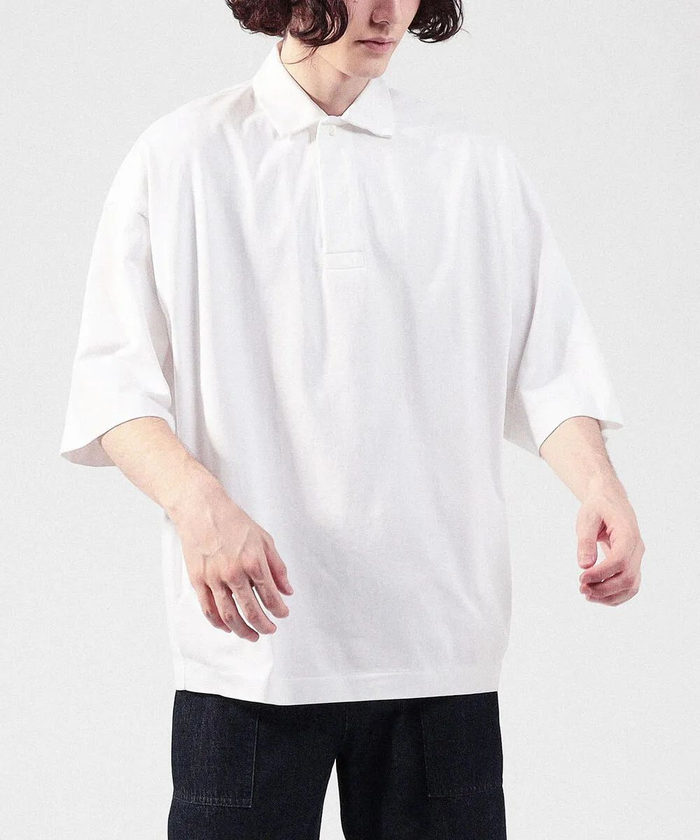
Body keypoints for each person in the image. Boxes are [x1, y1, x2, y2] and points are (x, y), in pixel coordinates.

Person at [59, 1, 645, 837]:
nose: (385, 12)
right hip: (253, 652)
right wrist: (198, 504)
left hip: (439, 646)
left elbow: (549, 368)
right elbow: (114, 385)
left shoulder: (472, 166)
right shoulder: (182, 156)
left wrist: (601, 489)